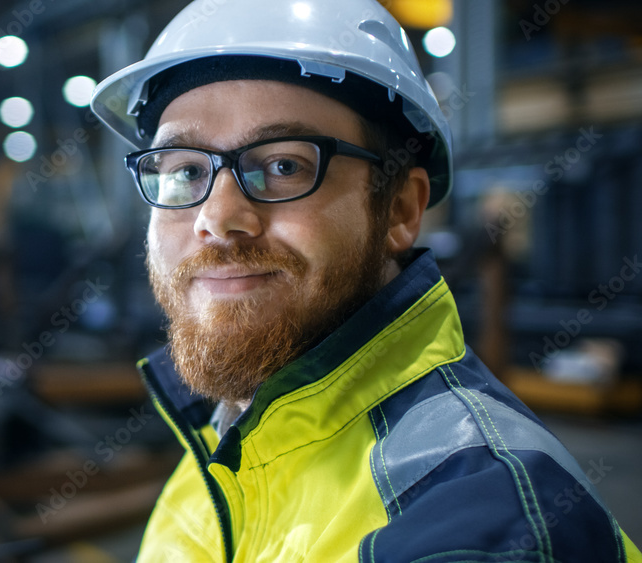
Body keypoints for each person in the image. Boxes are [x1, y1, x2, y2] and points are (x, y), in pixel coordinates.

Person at [90, 0, 642, 561]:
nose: (217, 217)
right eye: (185, 170)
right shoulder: (229, 435)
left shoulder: (483, 524)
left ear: (400, 208)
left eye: (284, 165)